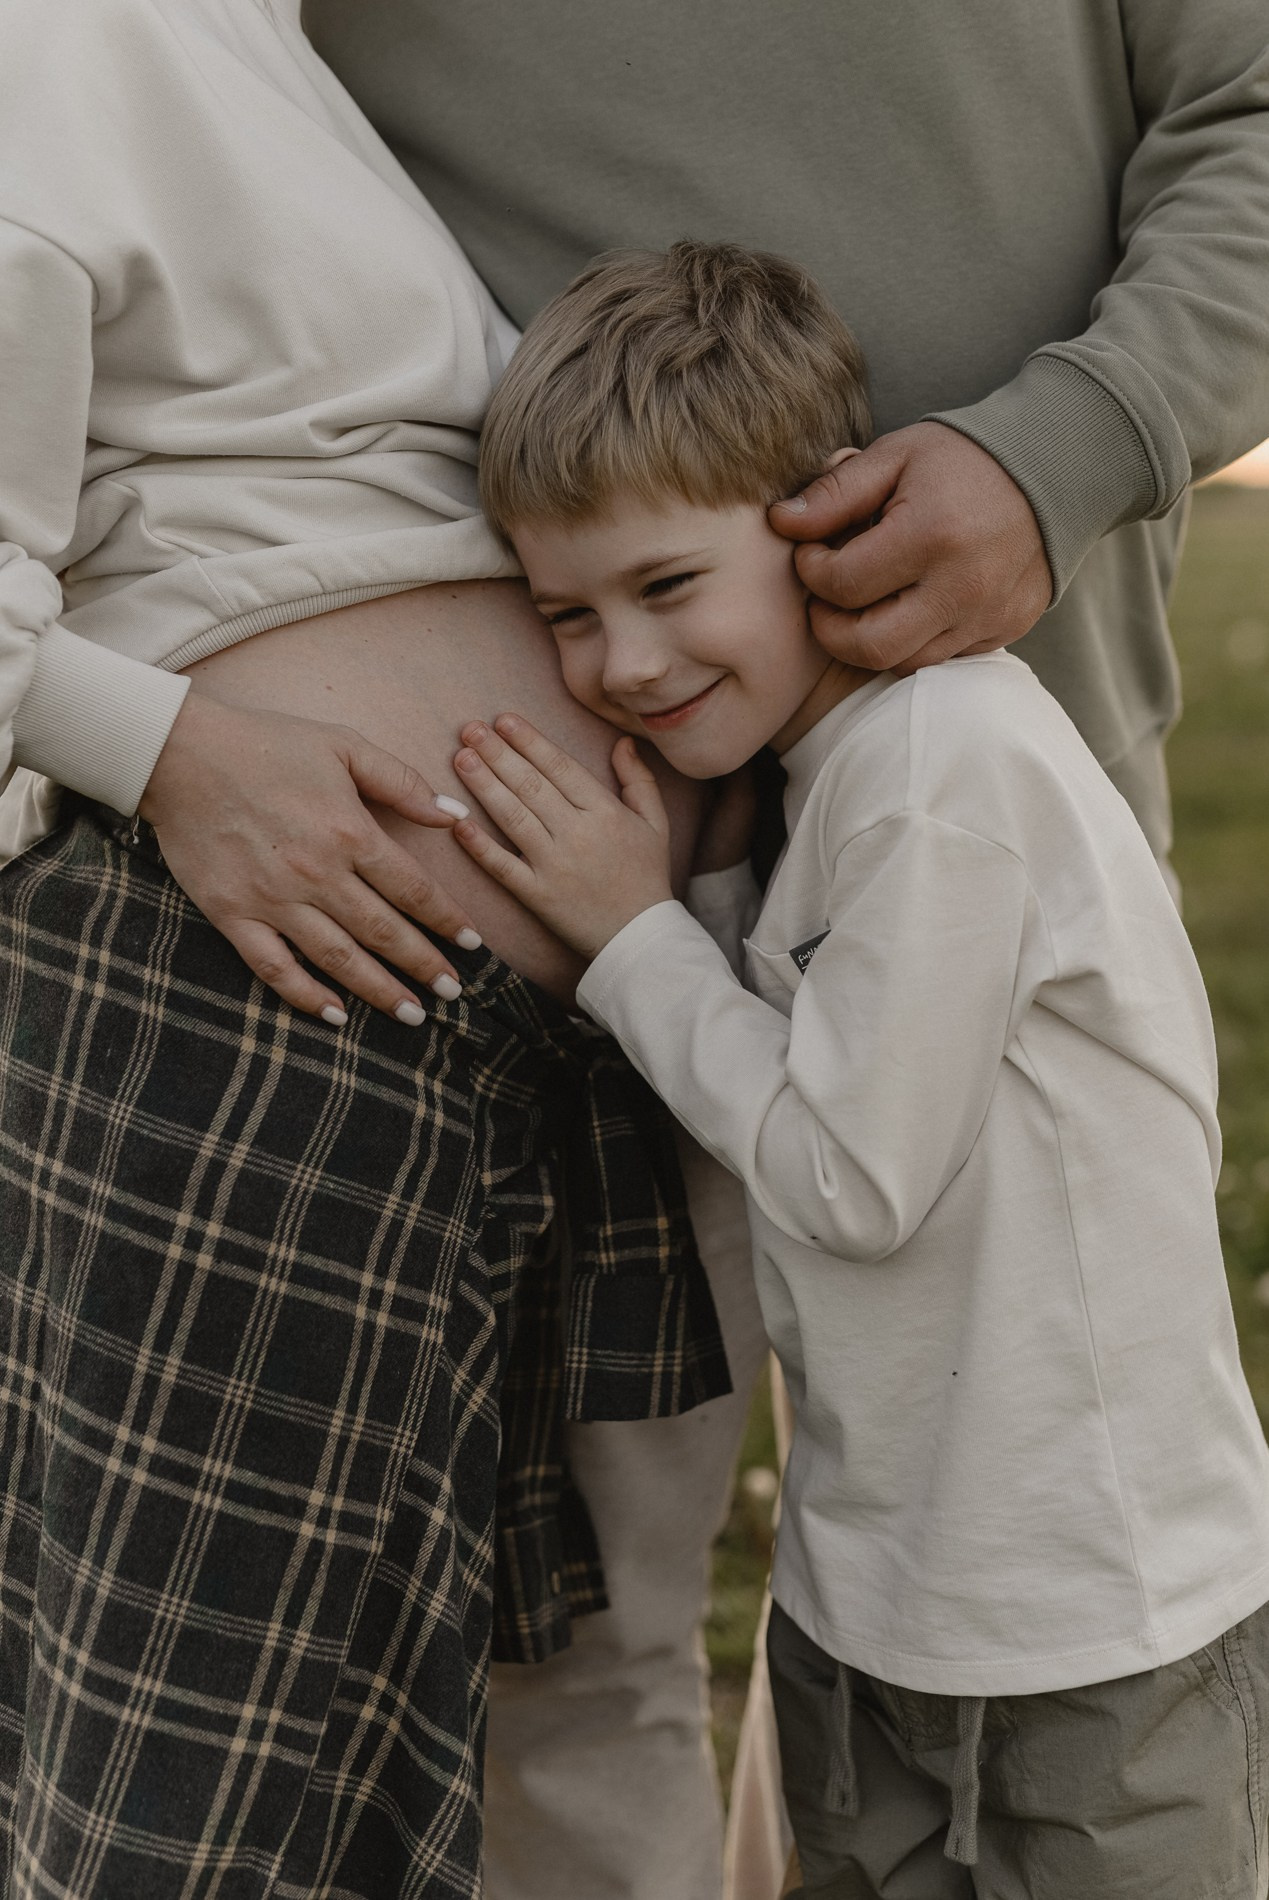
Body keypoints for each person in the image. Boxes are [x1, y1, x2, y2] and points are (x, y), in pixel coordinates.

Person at [299, 10, 1269, 1894]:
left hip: (1093, 1627)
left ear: (818, 504)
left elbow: (844, 1176)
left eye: (668, 587)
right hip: (877, 1605)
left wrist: (628, 932)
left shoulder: (938, 780)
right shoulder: (828, 771)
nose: (624, 664)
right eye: (567, 616)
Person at [0, 4, 736, 1895]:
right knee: (202, 1785)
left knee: (489, 1725)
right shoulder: (56, 39)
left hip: (533, 1032)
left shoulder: (271, 43)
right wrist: (173, 753)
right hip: (262, 1006)